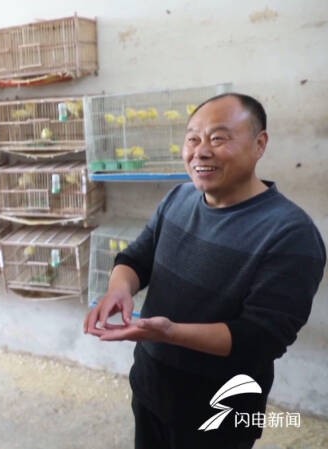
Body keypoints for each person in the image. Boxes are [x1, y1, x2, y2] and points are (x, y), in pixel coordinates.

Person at [84, 93, 326, 448]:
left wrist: (171, 332)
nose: (201, 151)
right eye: (193, 139)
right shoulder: (178, 198)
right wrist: (119, 289)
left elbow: (261, 338)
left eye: (218, 138)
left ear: (260, 144)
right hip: (151, 384)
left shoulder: (290, 234)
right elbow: (135, 259)